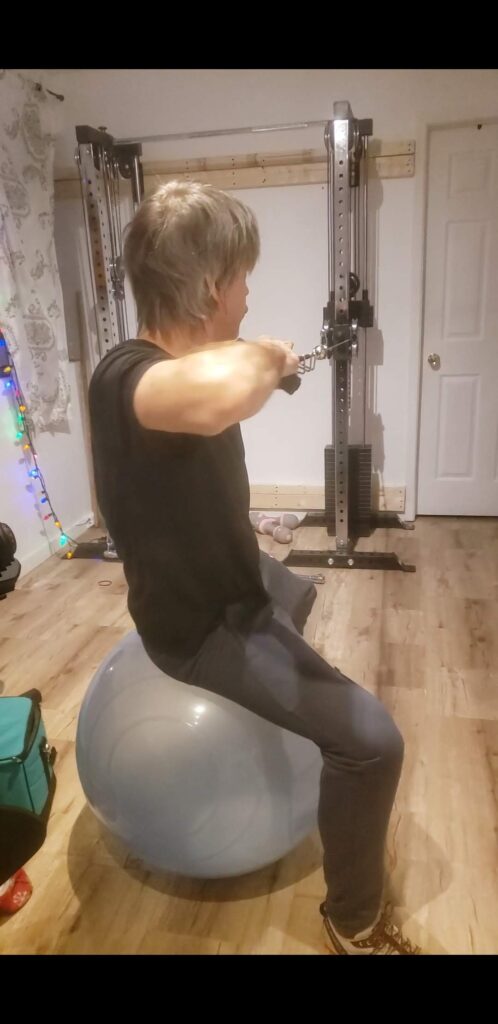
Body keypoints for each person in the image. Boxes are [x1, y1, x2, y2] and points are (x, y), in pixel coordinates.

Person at [88, 180, 420, 955]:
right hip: (200, 628)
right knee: (375, 744)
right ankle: (354, 924)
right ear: (212, 287)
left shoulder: (185, 363)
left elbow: (218, 383)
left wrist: (262, 360)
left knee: (298, 592)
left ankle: (288, 694)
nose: (247, 295)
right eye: (242, 279)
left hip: (237, 584)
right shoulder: (124, 377)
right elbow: (215, 397)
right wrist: (266, 354)